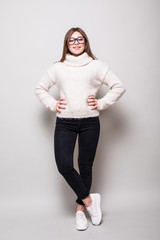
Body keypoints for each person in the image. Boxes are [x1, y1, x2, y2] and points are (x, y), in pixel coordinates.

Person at [35, 27, 126, 230]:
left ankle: (80, 212)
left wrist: (100, 104)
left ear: (85, 42)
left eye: (79, 39)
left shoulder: (96, 66)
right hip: (64, 122)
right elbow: (40, 88)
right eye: (71, 40)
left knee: (85, 166)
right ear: (66, 44)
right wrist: (53, 104)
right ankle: (90, 202)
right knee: (64, 165)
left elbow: (118, 86)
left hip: (90, 122)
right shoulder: (57, 68)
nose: (75, 42)